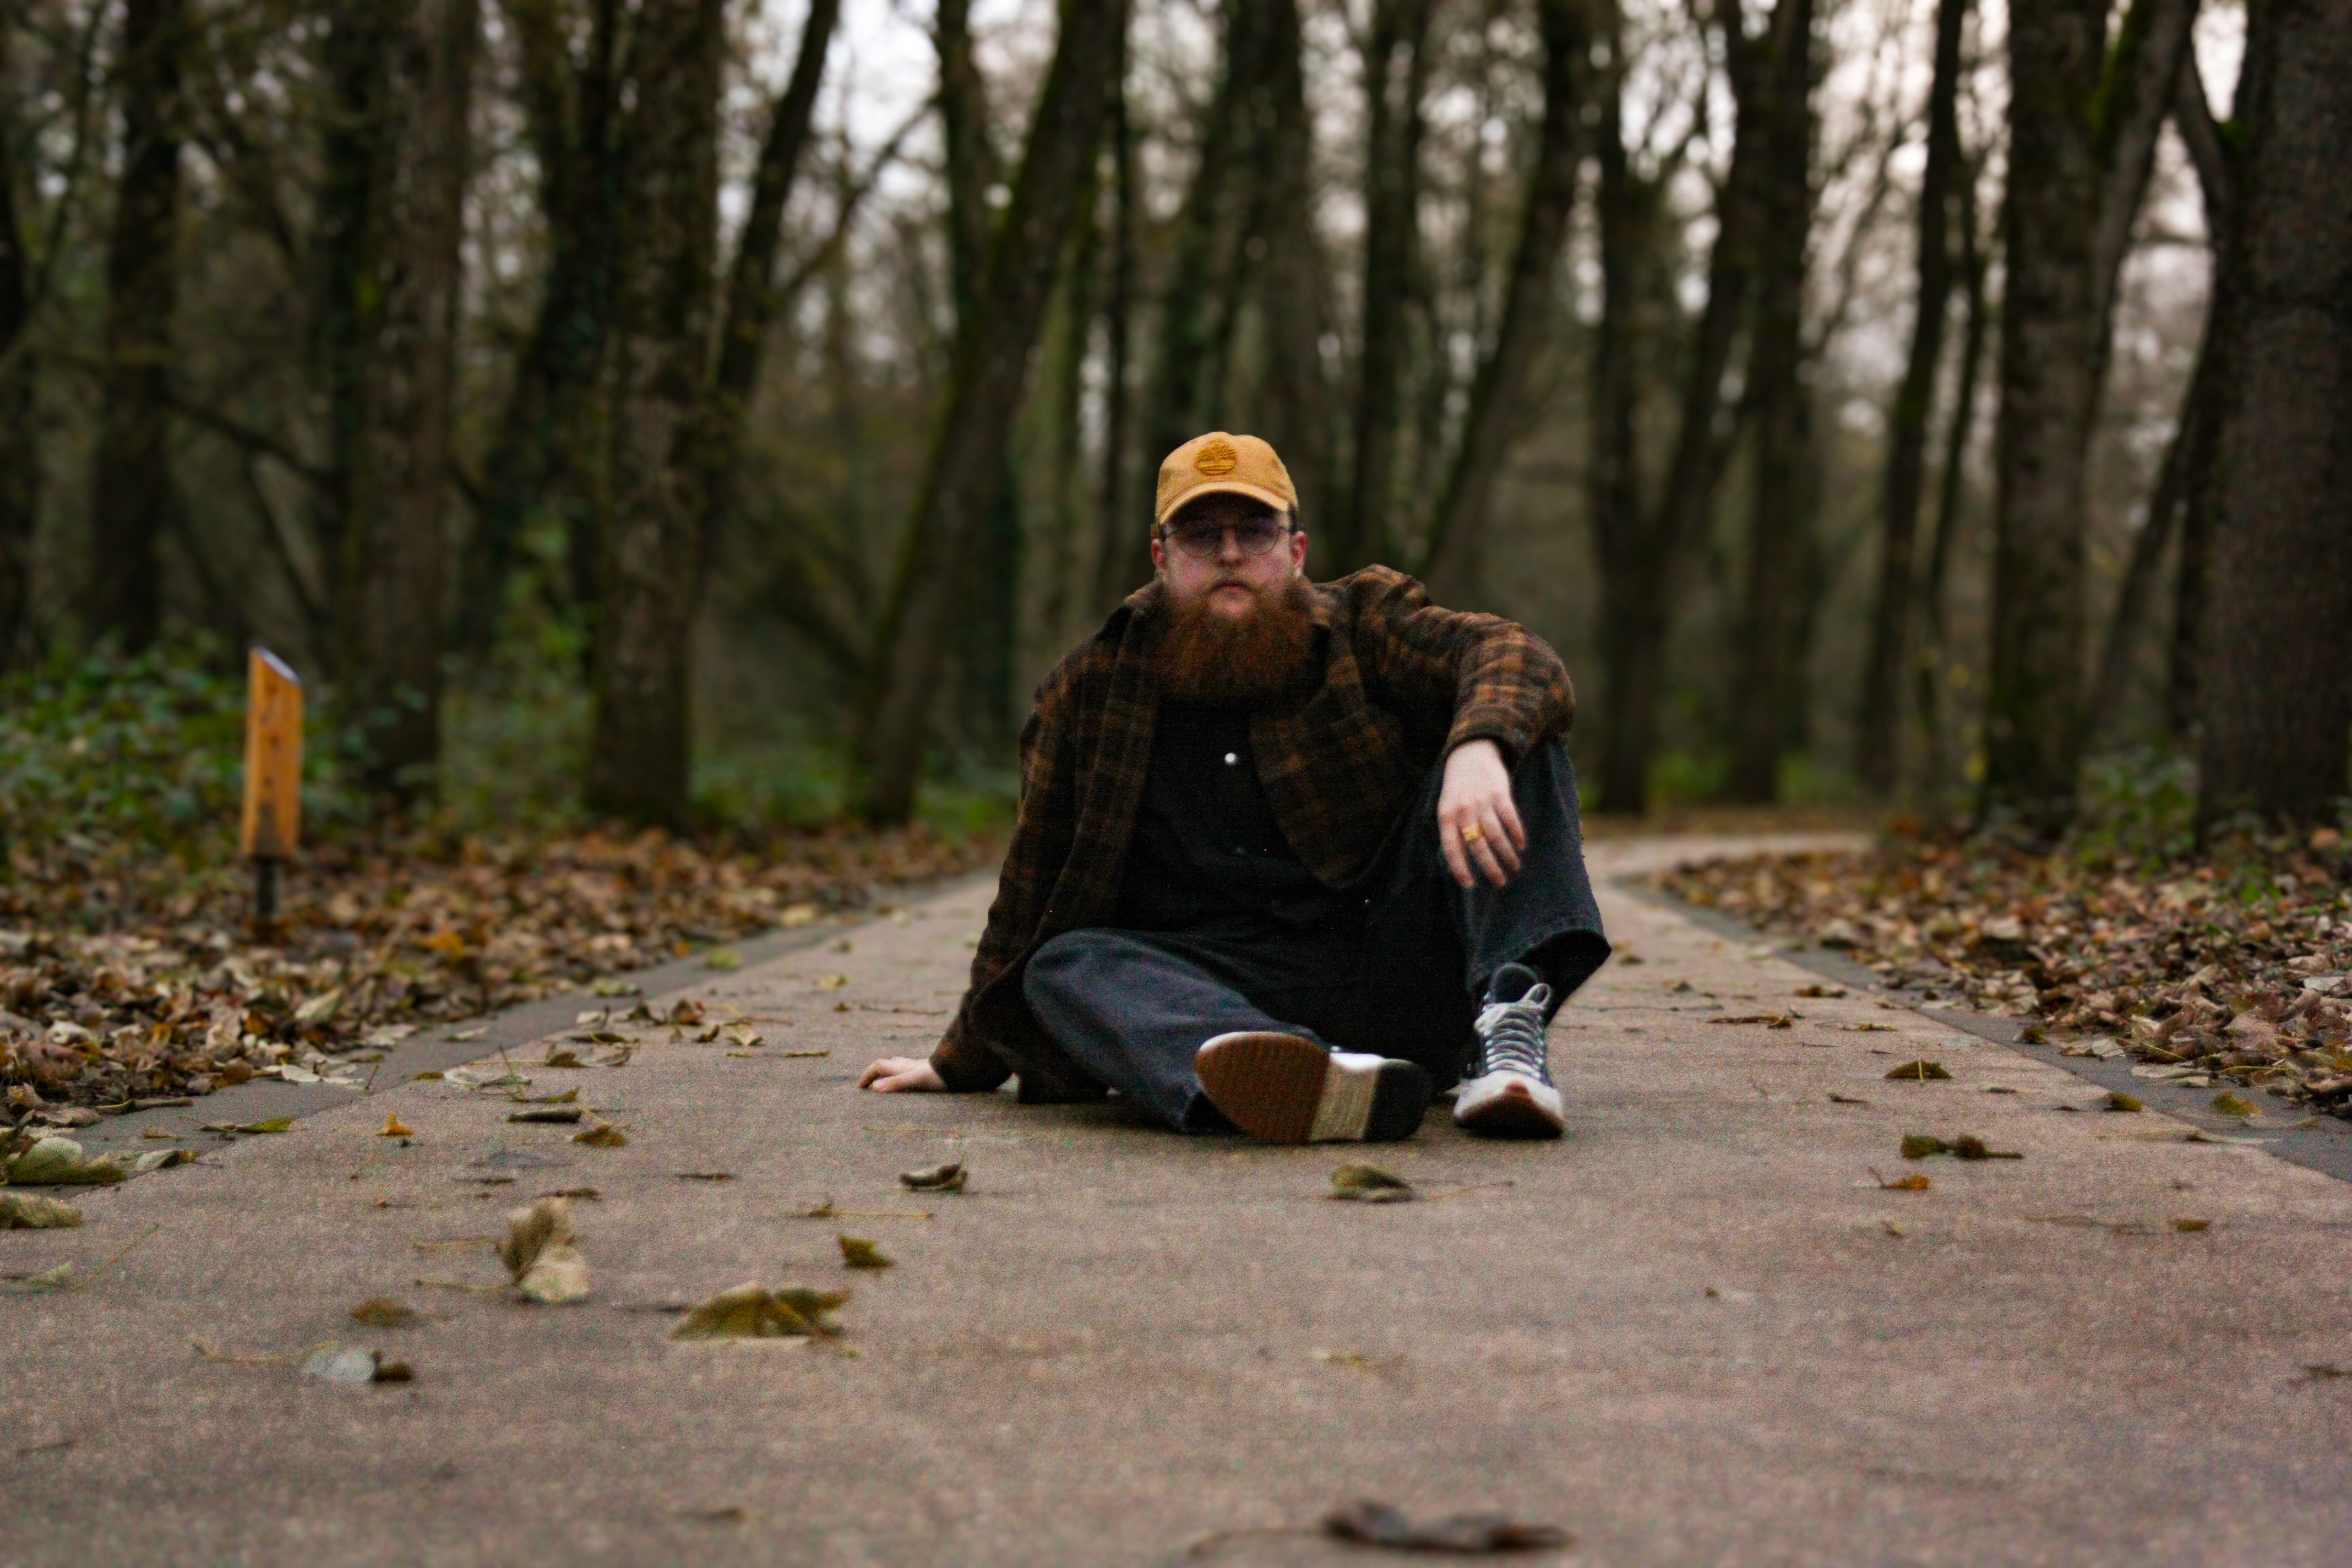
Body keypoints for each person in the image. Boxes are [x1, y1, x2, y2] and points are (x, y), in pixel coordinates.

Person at [859, 431, 1609, 1142]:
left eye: (1254, 531)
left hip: (1400, 962)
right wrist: (959, 1061)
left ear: (1296, 549)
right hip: (1221, 991)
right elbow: (1031, 888)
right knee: (1062, 966)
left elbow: (1516, 654)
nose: (1228, 554)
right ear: (1160, 555)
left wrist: (1477, 747)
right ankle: (1287, 1074)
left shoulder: (1363, 625)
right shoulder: (1089, 692)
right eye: (1199, 534)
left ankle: (1509, 1029)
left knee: (1517, 730)